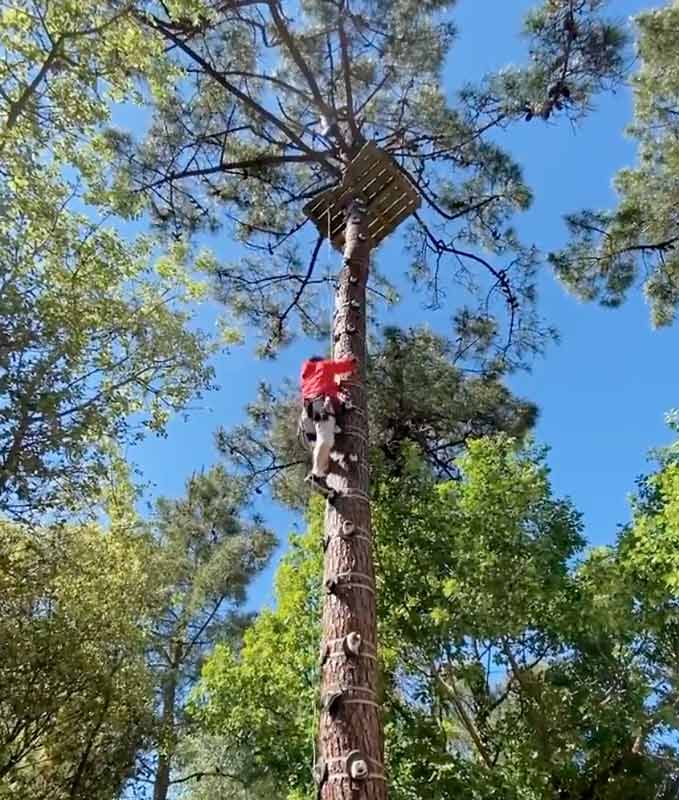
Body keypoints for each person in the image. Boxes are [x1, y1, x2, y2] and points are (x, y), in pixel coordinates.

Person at [299, 354, 357, 492]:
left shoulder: (307, 379)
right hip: (321, 407)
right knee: (326, 440)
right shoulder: (323, 366)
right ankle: (316, 476)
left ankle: (323, 477)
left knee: (322, 444)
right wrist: (352, 360)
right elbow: (345, 365)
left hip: (307, 414)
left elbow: (328, 387)